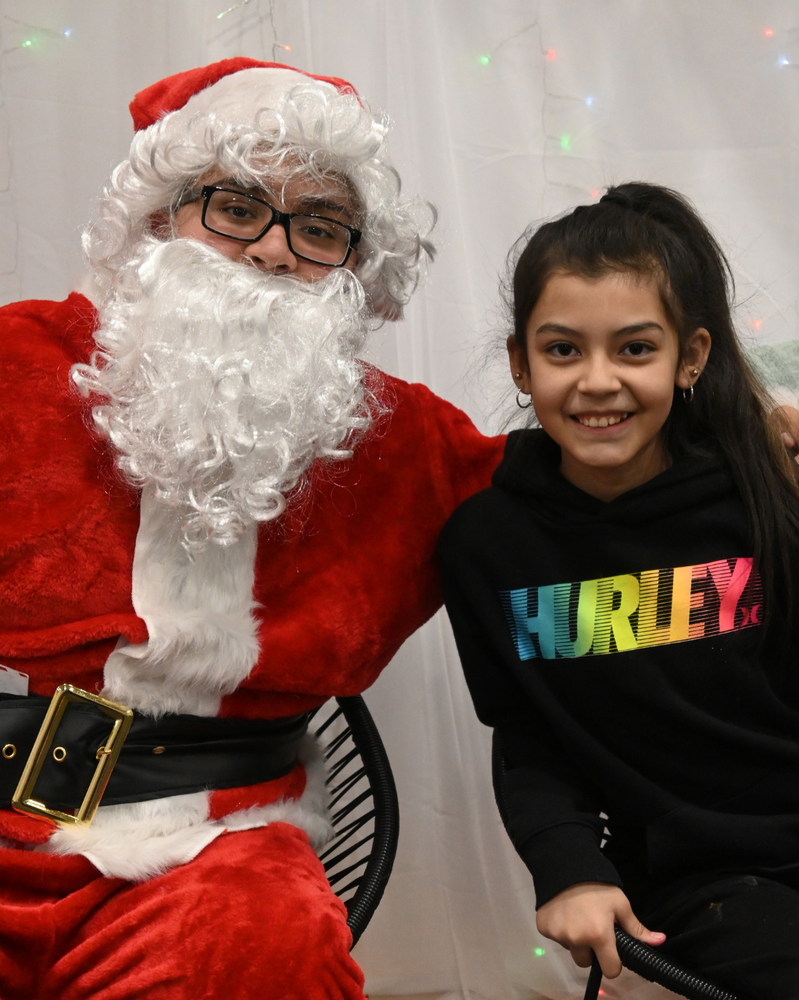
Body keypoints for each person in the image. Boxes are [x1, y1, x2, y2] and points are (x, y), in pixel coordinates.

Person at [0, 58, 505, 999]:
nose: (273, 251)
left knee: (267, 947)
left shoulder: (408, 444)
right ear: (162, 217)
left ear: (355, 267)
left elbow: (598, 484)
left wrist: (741, 424)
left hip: (220, 847)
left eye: (318, 229)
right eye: (237, 207)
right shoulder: (18, 364)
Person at [438, 182, 799, 1000]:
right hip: (708, 885)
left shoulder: (764, 496)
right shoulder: (489, 546)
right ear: (519, 364)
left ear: (691, 359)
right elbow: (527, 733)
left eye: (634, 349)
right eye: (563, 350)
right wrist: (568, 870)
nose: (597, 381)